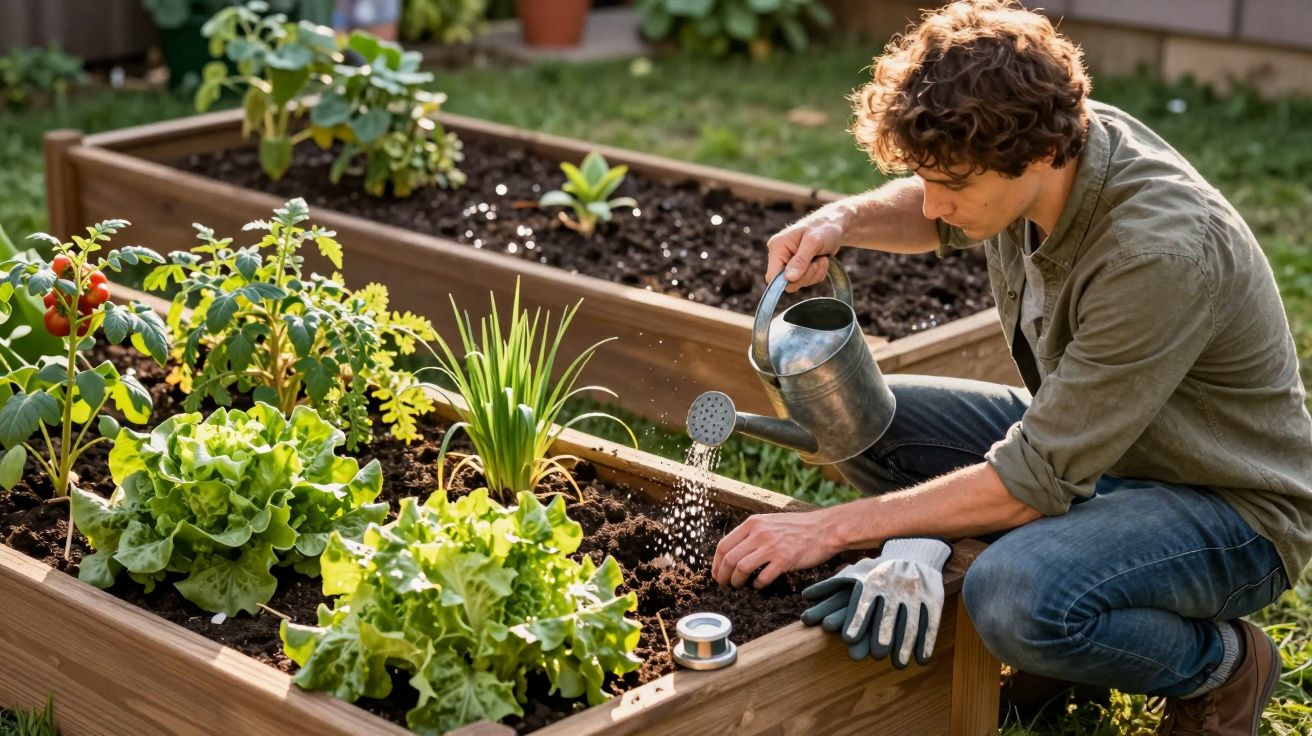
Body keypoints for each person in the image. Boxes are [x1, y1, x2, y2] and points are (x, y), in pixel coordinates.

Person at [709, 2, 1312, 733]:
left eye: (952, 187)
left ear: (1034, 156)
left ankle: (1220, 666)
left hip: (1227, 507)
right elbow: (931, 206)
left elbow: (1032, 481)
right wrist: (843, 222)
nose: (934, 204)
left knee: (1013, 597)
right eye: (925, 178)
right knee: (867, 422)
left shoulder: (1158, 253)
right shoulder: (1043, 144)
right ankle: (1075, 637)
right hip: (1104, 451)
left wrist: (832, 529)